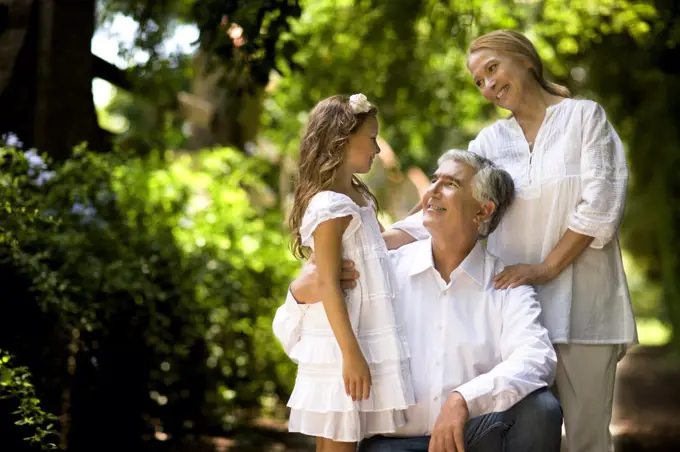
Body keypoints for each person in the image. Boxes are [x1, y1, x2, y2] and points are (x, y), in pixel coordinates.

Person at [385, 30, 637, 452]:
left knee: (587, 440)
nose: (487, 85)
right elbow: (452, 202)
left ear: (525, 60)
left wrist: (545, 269)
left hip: (586, 309)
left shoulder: (584, 118)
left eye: (492, 68)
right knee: (522, 432)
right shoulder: (489, 142)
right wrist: (376, 240)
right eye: (478, 80)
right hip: (510, 310)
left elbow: (600, 206)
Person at [275, 150, 563, 452]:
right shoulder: (382, 270)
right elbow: (291, 338)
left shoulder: (506, 284)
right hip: (390, 445)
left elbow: (537, 358)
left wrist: (463, 399)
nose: (432, 190)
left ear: (482, 211)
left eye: (450, 183)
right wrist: (299, 296)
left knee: (541, 409)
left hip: (469, 440)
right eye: (434, 179)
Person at [278, 93, 415, 451]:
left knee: (342, 440)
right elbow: (326, 283)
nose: (377, 148)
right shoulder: (328, 206)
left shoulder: (358, 196)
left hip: (357, 334)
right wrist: (351, 354)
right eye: (370, 138)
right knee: (339, 440)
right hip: (342, 340)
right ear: (341, 140)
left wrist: (426, 214)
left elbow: (380, 245)